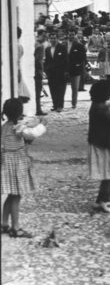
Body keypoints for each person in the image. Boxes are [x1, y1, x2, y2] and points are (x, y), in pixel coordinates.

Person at [1, 98, 47, 238]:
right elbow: (32, 134)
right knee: (16, 196)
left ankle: (4, 224)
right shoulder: (18, 127)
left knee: (11, 195)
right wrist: (42, 125)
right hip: (16, 164)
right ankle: (16, 228)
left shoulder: (5, 126)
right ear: (20, 112)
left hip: (7, 163)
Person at [87, 81, 110, 214]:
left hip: (99, 142)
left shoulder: (95, 105)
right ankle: (105, 200)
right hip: (102, 145)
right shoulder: (102, 108)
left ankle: (99, 200)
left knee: (107, 174)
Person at [43, 31, 69, 112]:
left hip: (61, 73)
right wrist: (46, 71)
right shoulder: (47, 49)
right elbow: (47, 61)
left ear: (57, 39)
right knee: (52, 90)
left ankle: (60, 106)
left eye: (54, 38)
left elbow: (66, 60)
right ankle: (55, 105)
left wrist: (66, 71)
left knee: (61, 90)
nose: (53, 40)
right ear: (49, 39)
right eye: (51, 38)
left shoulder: (62, 47)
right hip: (51, 74)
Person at [66, 29, 87, 108]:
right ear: (67, 35)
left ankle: (74, 103)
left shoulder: (79, 45)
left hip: (75, 69)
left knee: (74, 88)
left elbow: (83, 56)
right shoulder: (64, 44)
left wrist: (79, 64)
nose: (71, 36)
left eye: (72, 34)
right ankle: (59, 104)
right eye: (70, 34)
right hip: (65, 69)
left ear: (75, 35)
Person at [34, 31, 48, 116]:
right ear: (39, 36)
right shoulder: (40, 47)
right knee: (38, 91)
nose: (44, 38)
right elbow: (38, 61)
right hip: (37, 71)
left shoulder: (35, 44)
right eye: (43, 36)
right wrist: (41, 71)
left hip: (36, 70)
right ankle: (38, 109)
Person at [16, 28, 31, 105]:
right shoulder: (19, 47)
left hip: (17, 69)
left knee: (18, 90)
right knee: (19, 89)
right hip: (17, 69)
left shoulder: (18, 47)